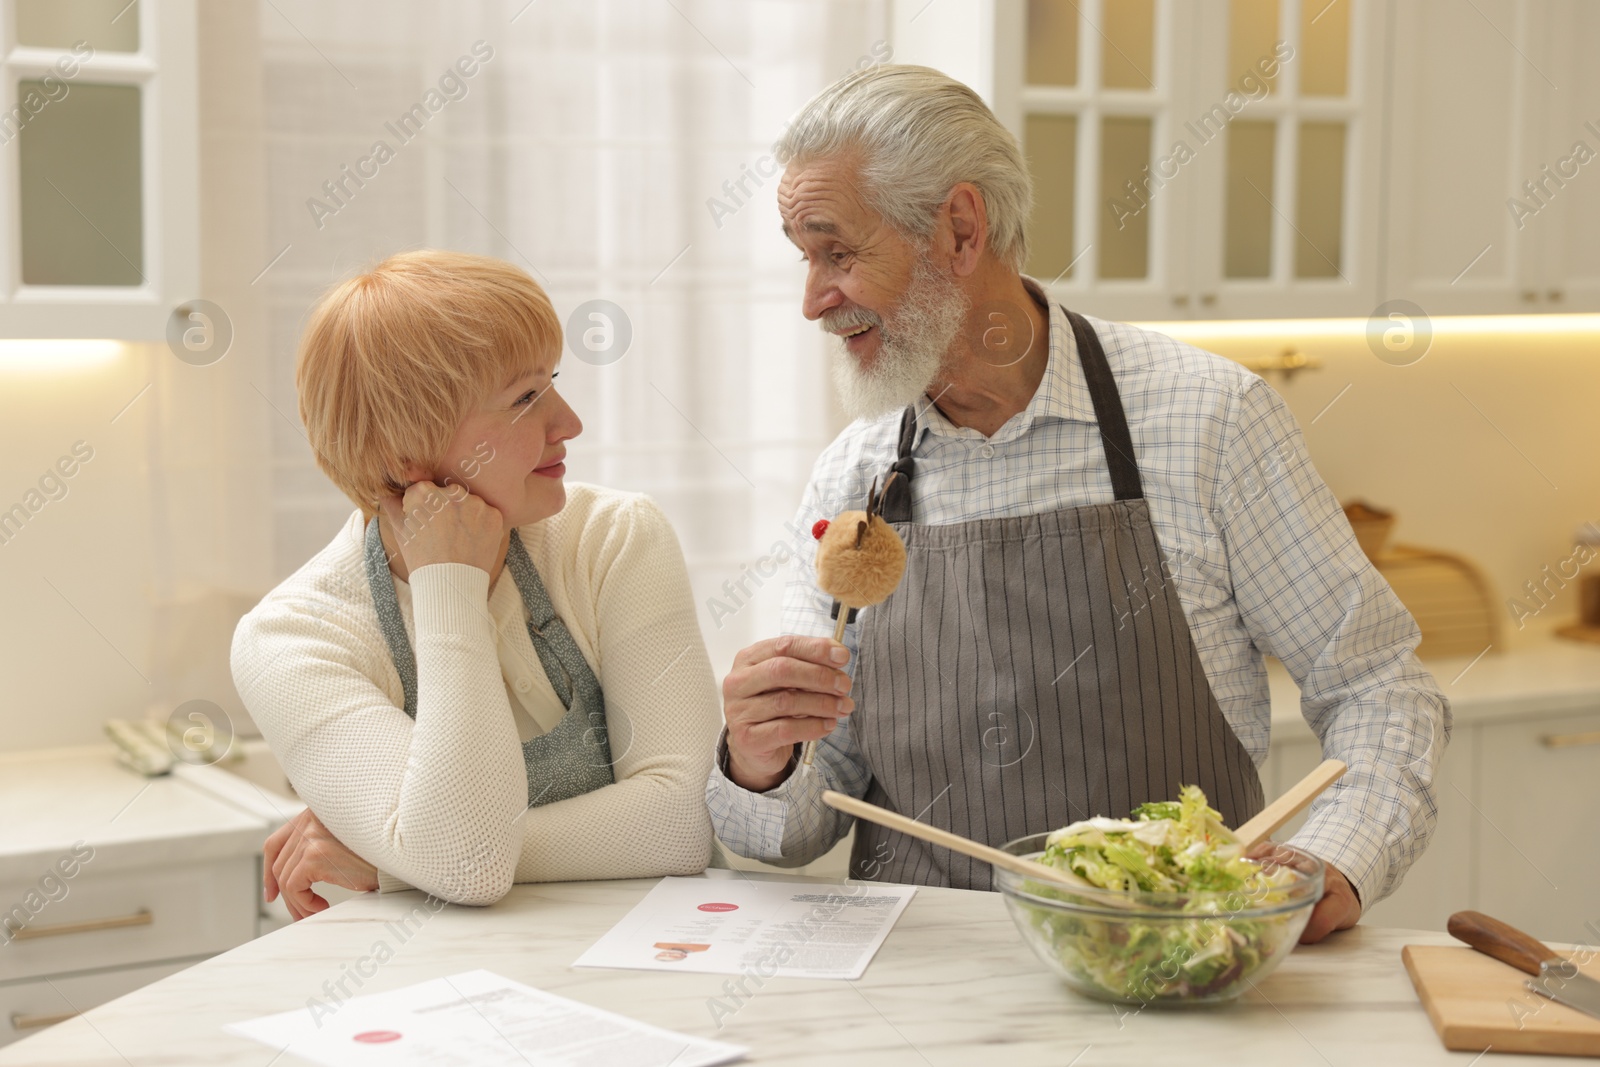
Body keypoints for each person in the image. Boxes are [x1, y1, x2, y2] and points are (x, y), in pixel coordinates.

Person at [706, 65, 1451, 944]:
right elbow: (795, 826)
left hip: (1168, 960)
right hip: (921, 982)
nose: (812, 300)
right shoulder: (853, 478)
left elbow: (1378, 687)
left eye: (839, 252)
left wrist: (1337, 857)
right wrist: (759, 762)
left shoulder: (1206, 419)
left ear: (959, 227)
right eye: (806, 257)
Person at [232, 250, 720, 919]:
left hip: (652, 961)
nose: (568, 421)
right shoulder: (292, 636)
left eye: (552, 381)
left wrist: (396, 860)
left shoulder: (614, 539)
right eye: (526, 398)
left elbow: (685, 817)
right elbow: (467, 863)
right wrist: (450, 581)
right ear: (407, 455)